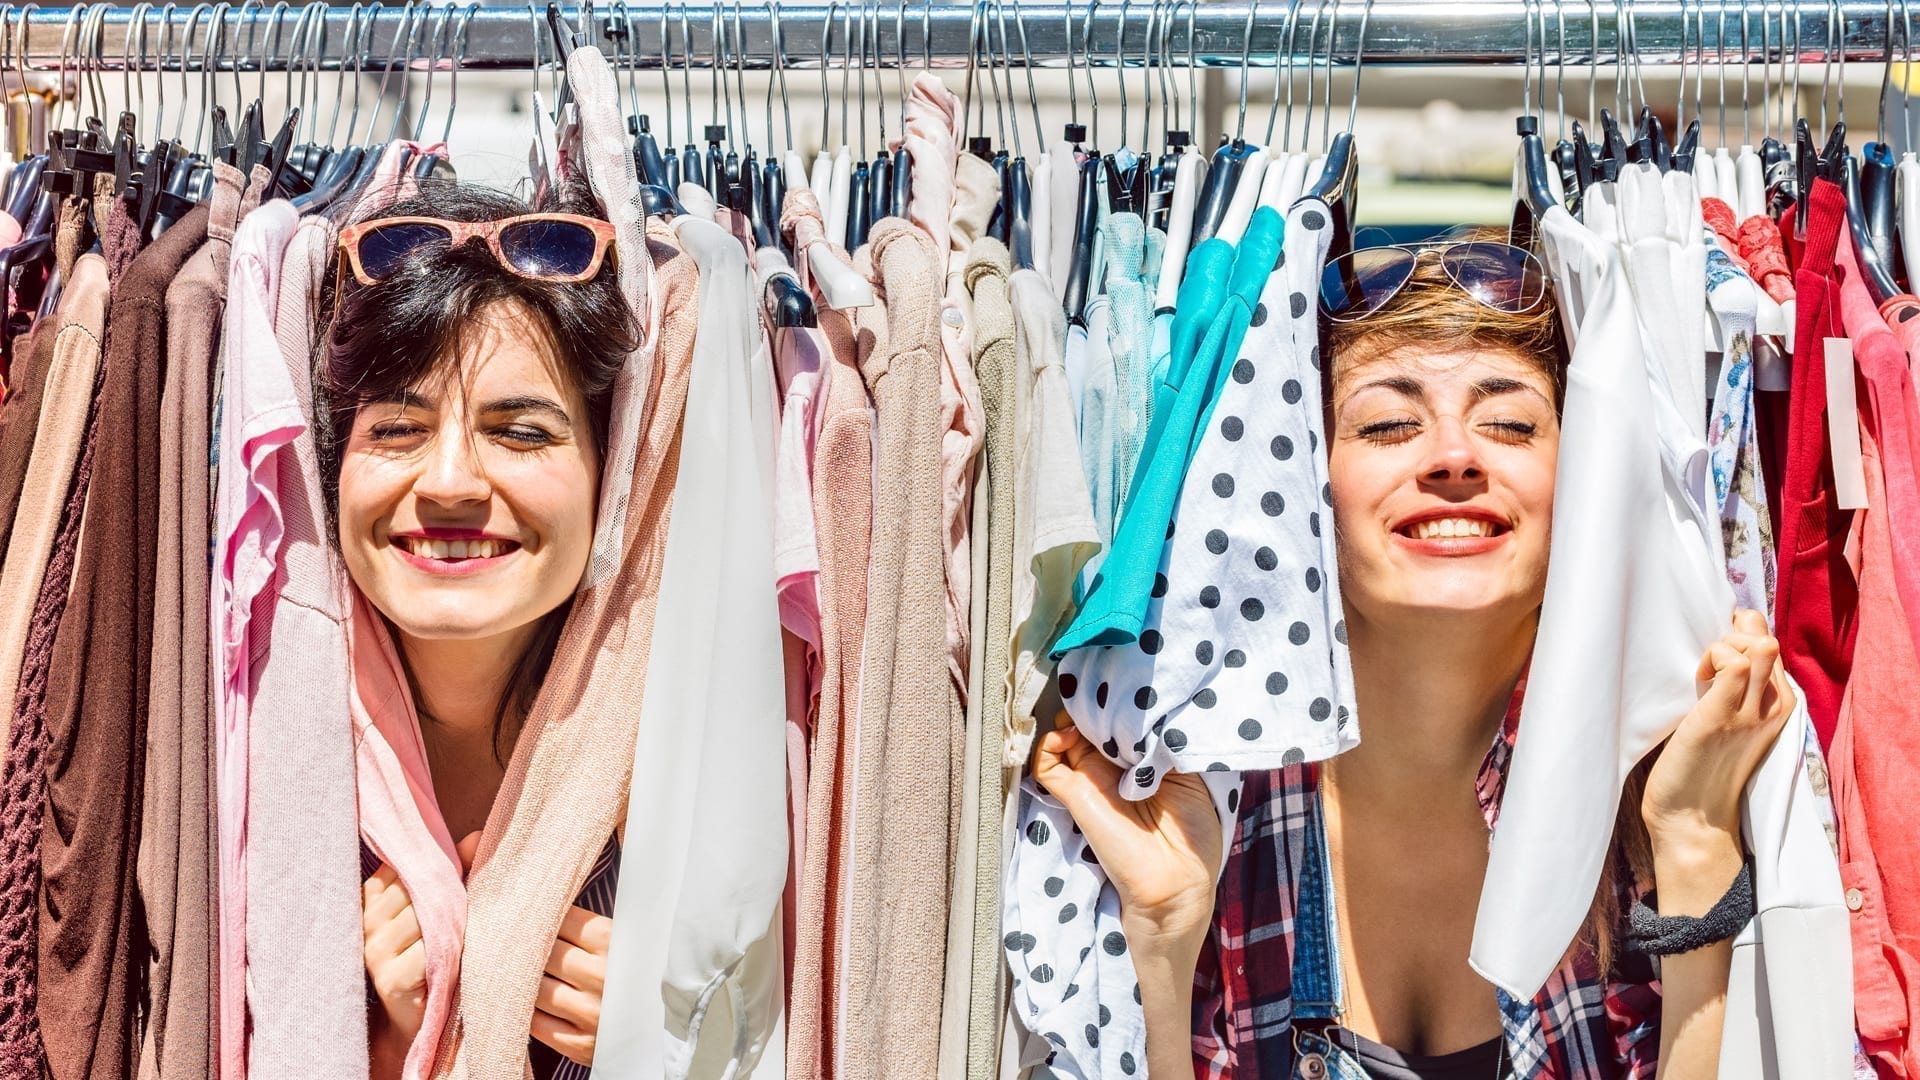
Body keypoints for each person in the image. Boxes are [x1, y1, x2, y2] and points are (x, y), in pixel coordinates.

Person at [1034, 237, 1796, 1079]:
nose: (1454, 456)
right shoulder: (1198, 807)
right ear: (1299, 483)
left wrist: (1692, 854)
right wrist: (1166, 950)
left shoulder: (1684, 782)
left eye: (1508, 422)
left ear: (1582, 475)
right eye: (1389, 424)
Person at [319, 182, 632, 1080]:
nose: (450, 481)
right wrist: (386, 1043)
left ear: (609, 472)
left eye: (521, 432)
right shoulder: (255, 756)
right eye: (399, 427)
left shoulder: (682, 779)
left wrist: (671, 1043)